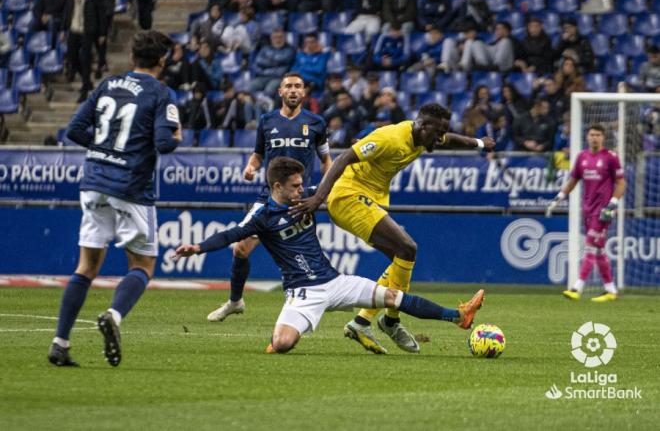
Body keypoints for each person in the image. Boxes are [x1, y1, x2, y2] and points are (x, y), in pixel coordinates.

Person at [177, 157, 486, 354]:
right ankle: (277, 338)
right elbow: (231, 235)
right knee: (284, 344)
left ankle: (458, 316)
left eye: (302, 184)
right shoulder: (262, 215)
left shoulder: (308, 198)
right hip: (302, 292)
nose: (302, 190)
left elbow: (336, 181)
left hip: (335, 281)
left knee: (392, 297)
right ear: (277, 186)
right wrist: (198, 248)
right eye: (295, 186)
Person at [289, 103, 495, 354]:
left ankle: (362, 322)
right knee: (407, 247)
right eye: (437, 131)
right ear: (422, 125)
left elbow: (448, 139)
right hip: (347, 196)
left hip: (367, 198)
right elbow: (344, 157)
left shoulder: (423, 136)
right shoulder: (390, 137)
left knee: (401, 259)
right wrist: (318, 198)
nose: (440, 137)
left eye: (443, 131)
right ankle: (392, 320)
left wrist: (479, 144)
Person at [47, 31, 182, 367]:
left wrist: (105, 150)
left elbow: (76, 130)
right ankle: (113, 315)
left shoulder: (108, 85)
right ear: (162, 60)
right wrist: (176, 134)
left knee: (86, 267)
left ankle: (60, 343)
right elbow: (165, 144)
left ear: (133, 57)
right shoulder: (160, 93)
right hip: (131, 187)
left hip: (93, 181)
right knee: (143, 265)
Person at [206, 72, 333, 322]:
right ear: (280, 92)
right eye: (289, 86)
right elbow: (258, 154)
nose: (293, 90)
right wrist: (251, 167)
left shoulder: (316, 123)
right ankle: (235, 301)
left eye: (298, 86)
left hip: (299, 199)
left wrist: (324, 191)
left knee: (302, 254)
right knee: (241, 249)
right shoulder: (266, 121)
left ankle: (313, 301)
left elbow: (326, 160)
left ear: (304, 93)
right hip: (269, 197)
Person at [546, 124, 625, 302]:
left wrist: (612, 204)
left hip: (603, 210)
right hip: (587, 210)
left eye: (598, 134)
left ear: (603, 137)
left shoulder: (611, 158)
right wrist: (559, 198)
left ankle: (577, 287)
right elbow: (573, 180)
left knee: (590, 245)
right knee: (598, 250)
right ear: (587, 137)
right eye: (592, 134)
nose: (594, 137)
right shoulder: (582, 157)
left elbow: (621, 182)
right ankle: (611, 289)